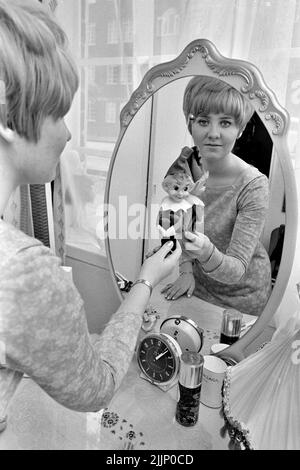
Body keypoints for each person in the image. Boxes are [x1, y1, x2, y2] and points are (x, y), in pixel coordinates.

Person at [0, 0, 181, 419]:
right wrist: (146, 281)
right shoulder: (24, 273)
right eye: (59, 114)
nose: (68, 134)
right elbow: (96, 386)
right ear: (9, 118)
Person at [161, 76, 272, 316]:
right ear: (190, 124)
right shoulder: (185, 166)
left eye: (225, 122)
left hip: (242, 295)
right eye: (203, 121)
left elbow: (237, 269)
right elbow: (181, 223)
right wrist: (187, 270)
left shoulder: (253, 186)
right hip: (199, 284)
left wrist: (204, 252)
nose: (213, 133)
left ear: (240, 129)